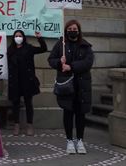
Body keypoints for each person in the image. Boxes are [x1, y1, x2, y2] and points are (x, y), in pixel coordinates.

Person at [47, 20, 94, 155]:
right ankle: (69, 140)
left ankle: (80, 140)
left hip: (81, 86)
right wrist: (58, 62)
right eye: (70, 28)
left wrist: (71, 66)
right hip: (67, 85)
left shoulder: (85, 46)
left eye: (74, 28)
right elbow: (50, 60)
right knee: (68, 112)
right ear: (66, 30)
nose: (72, 30)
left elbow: (88, 62)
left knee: (80, 114)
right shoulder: (61, 44)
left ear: (78, 31)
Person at [7, 30, 48, 136]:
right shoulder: (10, 50)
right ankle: (16, 125)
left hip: (27, 80)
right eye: (16, 36)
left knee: (28, 103)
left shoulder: (29, 48)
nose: (18, 37)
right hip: (15, 81)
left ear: (23, 37)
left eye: (20, 36)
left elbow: (43, 49)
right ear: (13, 38)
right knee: (15, 103)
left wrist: (40, 38)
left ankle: (29, 125)